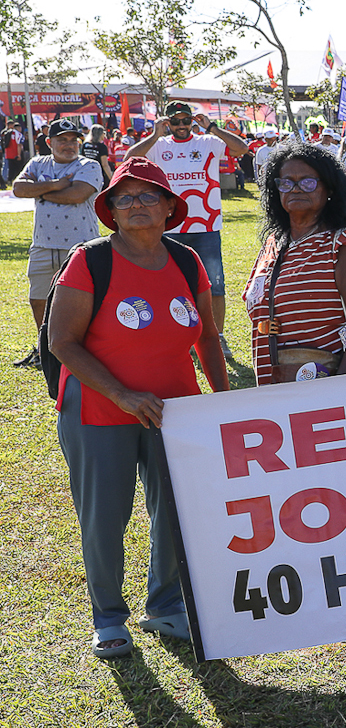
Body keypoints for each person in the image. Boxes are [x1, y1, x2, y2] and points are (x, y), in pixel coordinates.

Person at [49, 156, 229, 658]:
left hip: (177, 413)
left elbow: (209, 338)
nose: (136, 204)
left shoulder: (187, 260)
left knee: (175, 512)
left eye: (148, 194)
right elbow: (62, 341)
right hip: (98, 411)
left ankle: (165, 605)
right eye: (123, 198)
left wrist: (222, 400)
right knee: (104, 516)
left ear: (170, 206)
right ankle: (108, 617)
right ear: (111, 210)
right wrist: (122, 395)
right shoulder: (91, 260)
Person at [242, 140, 346, 385]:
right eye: (286, 182)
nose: (296, 189)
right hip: (273, 389)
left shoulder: (343, 244)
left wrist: (338, 388)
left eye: (308, 182)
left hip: (322, 390)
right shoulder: (273, 244)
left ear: (329, 189)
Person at [127, 101, 249, 358]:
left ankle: (218, 337)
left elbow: (242, 149)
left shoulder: (208, 142)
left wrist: (213, 127)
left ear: (193, 120)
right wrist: (153, 135)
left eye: (185, 120)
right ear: (167, 122)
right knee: (173, 286)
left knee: (214, 285)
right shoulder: (159, 146)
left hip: (206, 225)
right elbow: (130, 160)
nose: (181, 126)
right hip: (170, 227)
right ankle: (180, 337)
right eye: (176, 121)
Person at [12, 119, 105, 368]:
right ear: (49, 142)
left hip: (79, 246)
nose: (69, 145)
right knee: (38, 299)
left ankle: (83, 350)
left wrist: (38, 190)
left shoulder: (89, 165)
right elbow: (19, 189)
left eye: (73, 140)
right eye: (62, 140)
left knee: (81, 301)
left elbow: (76, 195)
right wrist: (55, 185)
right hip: (42, 245)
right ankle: (47, 351)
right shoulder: (37, 163)